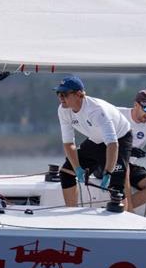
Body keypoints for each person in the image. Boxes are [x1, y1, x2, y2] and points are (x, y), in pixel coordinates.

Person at [55, 75, 132, 208]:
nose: (61, 98)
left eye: (65, 94)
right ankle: (70, 214)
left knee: (116, 186)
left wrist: (108, 172)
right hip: (96, 140)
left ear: (79, 94)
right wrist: (77, 168)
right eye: (58, 93)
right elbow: (68, 143)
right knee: (66, 173)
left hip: (120, 137)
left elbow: (112, 144)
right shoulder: (63, 110)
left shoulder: (96, 110)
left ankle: (123, 218)